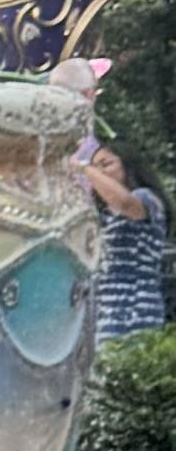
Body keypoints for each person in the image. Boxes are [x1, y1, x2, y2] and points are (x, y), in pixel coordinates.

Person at [89, 133, 169, 344]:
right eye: (95, 167)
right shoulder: (106, 216)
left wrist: (83, 168)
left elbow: (126, 204)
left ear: (129, 166)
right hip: (107, 314)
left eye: (105, 164)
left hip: (136, 310)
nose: (99, 173)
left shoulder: (147, 198)